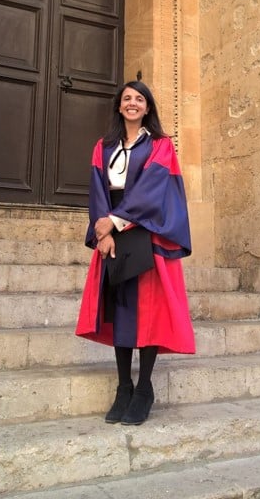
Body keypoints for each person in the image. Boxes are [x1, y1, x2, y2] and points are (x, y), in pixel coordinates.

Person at [75, 80, 195, 425]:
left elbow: (151, 188)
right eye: (127, 98)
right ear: (118, 106)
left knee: (148, 313)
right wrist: (102, 232)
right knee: (121, 310)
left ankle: (144, 389)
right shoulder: (104, 146)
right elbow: (97, 189)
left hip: (146, 232)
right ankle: (123, 387)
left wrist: (114, 221)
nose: (132, 103)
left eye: (139, 99)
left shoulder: (159, 145)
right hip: (112, 236)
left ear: (147, 107)